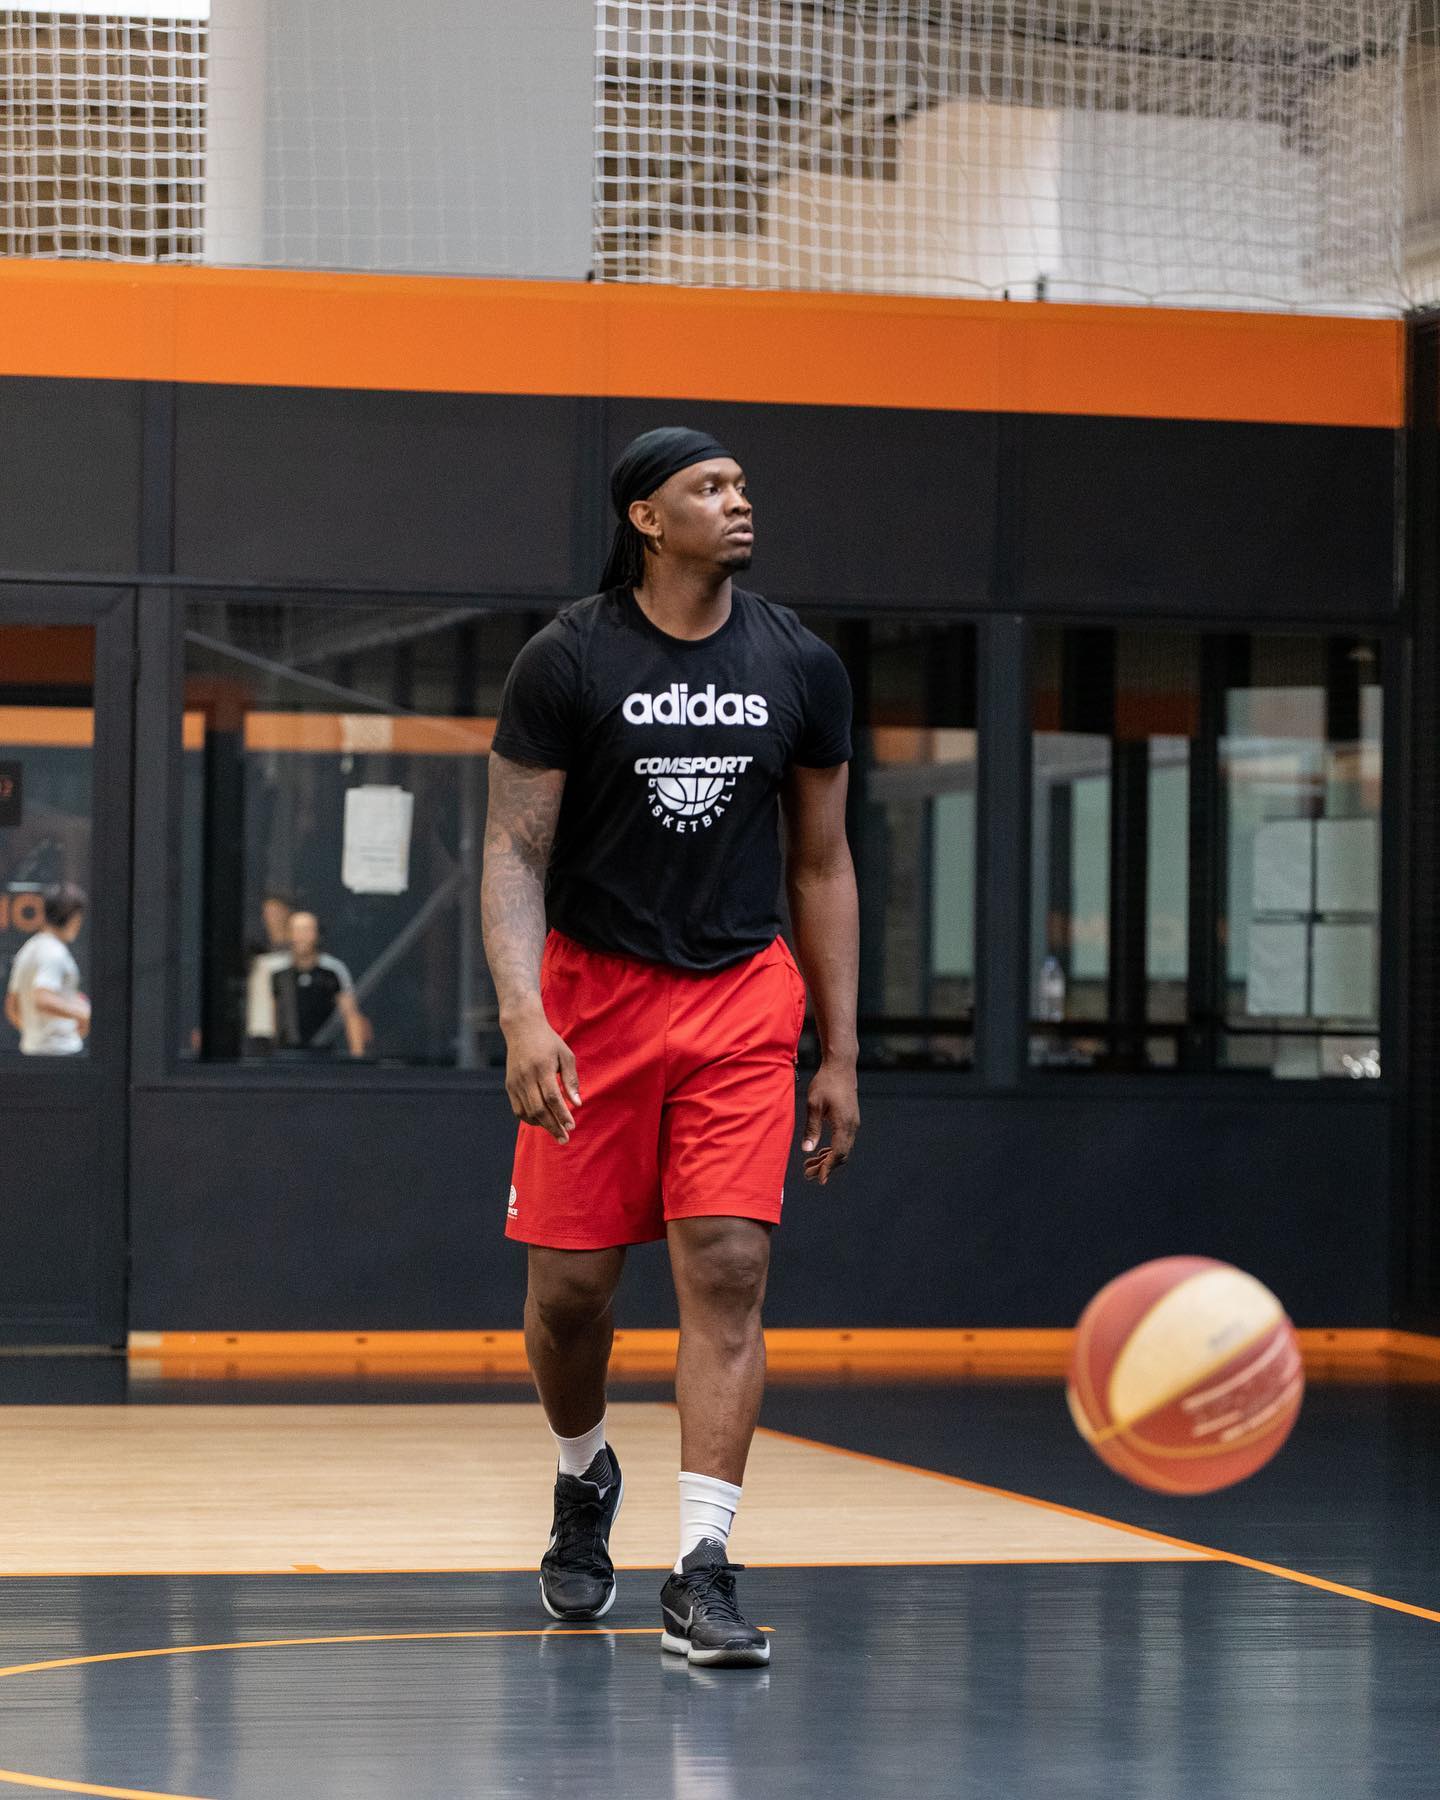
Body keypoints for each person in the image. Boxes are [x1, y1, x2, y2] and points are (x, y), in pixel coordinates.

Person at [482, 425, 860, 1667]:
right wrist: (525, 1012)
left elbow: (821, 861)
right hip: (592, 999)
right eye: (710, 486)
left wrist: (840, 1051)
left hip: (743, 999)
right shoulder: (568, 658)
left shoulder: (799, 661)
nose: (739, 502)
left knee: (731, 1271)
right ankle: (583, 1473)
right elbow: (513, 852)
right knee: (571, 1298)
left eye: (744, 482)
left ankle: (704, 1567)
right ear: (647, 517)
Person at [4, 881, 90, 1055]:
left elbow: (12, 1006)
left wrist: (34, 1032)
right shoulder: (54, 952)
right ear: (73, 917)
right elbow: (42, 997)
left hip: (32, 1050)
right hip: (62, 1052)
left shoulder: (28, 949)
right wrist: (82, 1013)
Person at [270, 910, 368, 1057]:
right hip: (287, 1054)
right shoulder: (279, 973)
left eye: (306, 930)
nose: (301, 936)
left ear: (316, 934)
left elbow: (350, 1015)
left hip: (324, 1055)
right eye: (296, 930)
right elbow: (274, 1017)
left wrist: (357, 1056)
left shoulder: (333, 970)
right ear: (289, 934)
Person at [244, 890, 294, 1049]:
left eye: (276, 911)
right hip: (257, 1029)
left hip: (288, 1030)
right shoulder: (254, 950)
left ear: (287, 913)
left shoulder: (299, 952)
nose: (271, 917)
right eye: (267, 912)